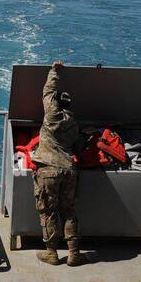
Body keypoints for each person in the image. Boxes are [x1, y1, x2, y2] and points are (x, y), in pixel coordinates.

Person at [31, 60, 88, 266]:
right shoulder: (74, 125)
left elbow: (48, 91)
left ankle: (52, 253)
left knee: (48, 211)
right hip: (69, 170)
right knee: (69, 210)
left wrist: (54, 70)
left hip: (48, 170)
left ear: (57, 103)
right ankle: (74, 253)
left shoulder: (52, 115)